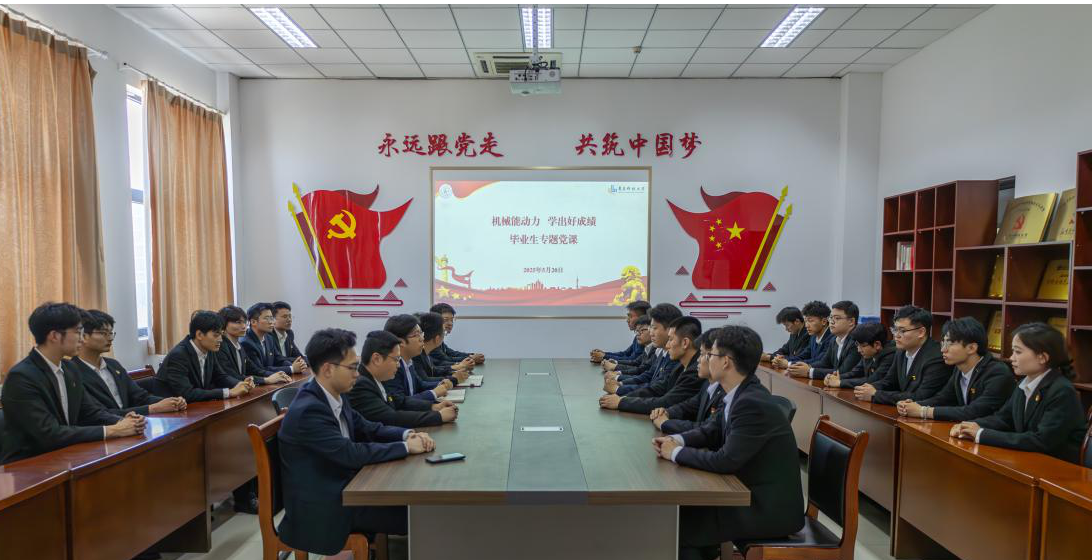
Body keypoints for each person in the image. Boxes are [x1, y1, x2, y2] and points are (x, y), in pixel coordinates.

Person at [277, 328, 435, 556]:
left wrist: (407, 435)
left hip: (344, 486)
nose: (357, 374)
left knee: (415, 500)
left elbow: (368, 427)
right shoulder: (308, 410)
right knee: (417, 511)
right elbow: (349, 453)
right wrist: (405, 448)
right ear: (328, 369)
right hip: (324, 505)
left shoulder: (334, 393)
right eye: (352, 367)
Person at [653, 325, 804, 560]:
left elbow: (725, 461)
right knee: (680, 517)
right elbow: (710, 431)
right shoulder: (739, 392)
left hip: (765, 509)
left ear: (726, 362)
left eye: (710, 354)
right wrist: (674, 439)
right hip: (748, 493)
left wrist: (675, 453)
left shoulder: (751, 403)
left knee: (678, 527)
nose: (704, 359)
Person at [1, 303, 144, 464]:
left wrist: (123, 421)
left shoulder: (70, 369)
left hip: (66, 455)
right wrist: (112, 430)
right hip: (28, 465)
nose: (82, 339)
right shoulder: (22, 377)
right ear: (54, 336)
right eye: (77, 332)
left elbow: (91, 412)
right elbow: (49, 434)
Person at [951, 323, 1088, 464]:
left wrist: (981, 434)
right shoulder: (1024, 383)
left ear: (1042, 357)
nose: (1011, 358)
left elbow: (1040, 440)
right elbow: (1003, 418)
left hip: (1058, 467)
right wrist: (968, 426)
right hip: (1031, 461)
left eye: (1018, 352)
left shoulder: (1062, 391)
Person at [70, 309, 187, 416]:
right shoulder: (73, 372)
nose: (110, 338)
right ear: (84, 336)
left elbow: (140, 397)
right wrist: (152, 408)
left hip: (133, 423)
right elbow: (98, 414)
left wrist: (171, 401)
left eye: (111, 333)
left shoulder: (113, 365)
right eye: (103, 333)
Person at [896, 317, 1015, 421]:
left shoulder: (997, 373)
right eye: (943, 343)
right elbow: (943, 399)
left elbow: (974, 411)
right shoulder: (959, 369)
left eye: (950, 343)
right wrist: (911, 405)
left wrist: (923, 411)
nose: (943, 349)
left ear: (971, 348)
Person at [348, 330, 457, 428]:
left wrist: (434, 407)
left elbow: (400, 402)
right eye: (396, 359)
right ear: (377, 359)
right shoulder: (361, 385)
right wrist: (438, 416)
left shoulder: (378, 379)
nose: (399, 365)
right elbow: (391, 417)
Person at [601, 316, 704, 414]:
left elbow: (666, 401)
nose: (668, 345)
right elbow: (657, 388)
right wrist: (622, 396)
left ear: (685, 343)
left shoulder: (694, 372)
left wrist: (621, 400)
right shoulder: (680, 367)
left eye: (670, 339)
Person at [853, 305, 947, 405]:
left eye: (902, 331)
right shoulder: (901, 351)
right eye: (895, 329)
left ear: (921, 332)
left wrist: (875, 395)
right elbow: (889, 381)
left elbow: (920, 396)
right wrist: (868, 388)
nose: (896, 336)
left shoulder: (936, 358)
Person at [154, 310, 256, 402]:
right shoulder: (178, 355)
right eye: (216, 335)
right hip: (170, 411)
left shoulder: (209, 349)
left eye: (221, 334)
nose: (220, 339)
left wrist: (240, 384)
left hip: (194, 408)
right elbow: (186, 393)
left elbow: (220, 376)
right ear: (199, 335)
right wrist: (229, 392)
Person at [650, 329, 726, 435]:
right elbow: (688, 406)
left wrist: (665, 423)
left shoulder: (727, 391)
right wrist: (666, 412)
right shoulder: (708, 384)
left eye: (702, 354)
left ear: (725, 361)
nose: (698, 360)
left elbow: (709, 429)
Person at [603, 303, 682, 396]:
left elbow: (658, 389)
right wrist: (620, 382)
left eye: (654, 328)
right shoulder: (662, 351)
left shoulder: (674, 356)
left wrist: (619, 389)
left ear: (670, 330)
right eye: (650, 328)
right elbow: (648, 375)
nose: (651, 333)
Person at [216, 306, 292, 386]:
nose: (244, 326)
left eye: (244, 322)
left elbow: (253, 369)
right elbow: (233, 377)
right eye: (238, 322)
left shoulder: (238, 345)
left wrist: (277, 375)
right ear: (224, 324)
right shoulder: (220, 346)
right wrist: (266, 380)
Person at [383, 314, 451, 402]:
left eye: (421, 333)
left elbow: (420, 385)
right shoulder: (392, 366)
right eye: (416, 335)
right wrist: (434, 393)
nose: (422, 339)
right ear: (401, 342)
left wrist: (440, 384)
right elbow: (399, 402)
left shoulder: (408, 361)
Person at [788, 300, 861, 380]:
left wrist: (809, 372)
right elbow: (825, 363)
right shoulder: (834, 339)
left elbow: (844, 371)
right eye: (831, 318)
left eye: (837, 318)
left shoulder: (857, 341)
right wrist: (807, 367)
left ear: (851, 321)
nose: (831, 322)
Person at [241, 303, 307, 377]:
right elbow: (259, 370)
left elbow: (279, 359)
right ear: (253, 322)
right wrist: (291, 369)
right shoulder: (246, 343)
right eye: (266, 318)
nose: (271, 322)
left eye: (271, 318)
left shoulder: (269, 338)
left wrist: (297, 365)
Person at [823, 322, 896, 389]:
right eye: (857, 345)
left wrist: (840, 383)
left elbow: (872, 380)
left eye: (863, 346)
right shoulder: (869, 353)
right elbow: (855, 372)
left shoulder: (891, 356)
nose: (859, 350)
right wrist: (836, 377)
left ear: (877, 344)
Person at [772, 300, 832, 368]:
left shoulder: (831, 338)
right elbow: (803, 356)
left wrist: (788, 364)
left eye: (810, 321)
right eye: (806, 321)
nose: (806, 325)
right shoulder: (813, 337)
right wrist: (783, 360)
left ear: (824, 321)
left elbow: (819, 361)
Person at [414, 312, 470, 383]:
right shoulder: (416, 355)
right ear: (437, 338)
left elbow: (433, 370)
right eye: (444, 332)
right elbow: (424, 380)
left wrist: (453, 373)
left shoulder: (425, 352)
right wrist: (453, 378)